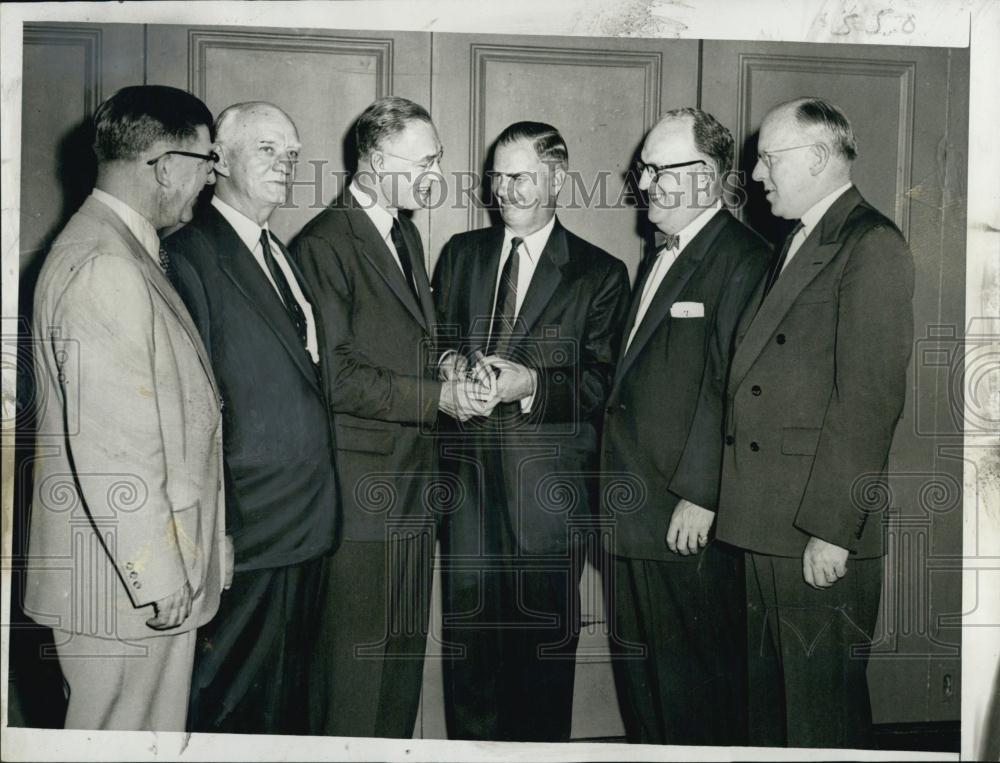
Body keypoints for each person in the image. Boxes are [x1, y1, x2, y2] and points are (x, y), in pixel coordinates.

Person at [715, 97, 914, 749]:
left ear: (821, 157)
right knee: (773, 710)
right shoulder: (796, 239)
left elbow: (868, 402)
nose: (760, 175)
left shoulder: (870, 243)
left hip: (815, 529)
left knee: (818, 715)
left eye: (770, 159)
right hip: (767, 518)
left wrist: (833, 531)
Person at [24, 85, 225, 731]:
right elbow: (115, 446)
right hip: (122, 586)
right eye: (205, 162)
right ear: (166, 166)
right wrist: (156, 572)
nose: (208, 180)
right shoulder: (107, 264)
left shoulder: (116, 244)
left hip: (124, 576)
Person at [292, 96, 486, 738]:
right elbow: (337, 377)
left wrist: (449, 364)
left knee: (399, 664)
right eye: (426, 161)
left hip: (411, 486)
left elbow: (402, 344)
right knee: (355, 673)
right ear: (375, 162)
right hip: (361, 494)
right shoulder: (325, 243)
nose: (437, 174)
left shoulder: (401, 228)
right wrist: (439, 399)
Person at [433, 121, 631, 742]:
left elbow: (602, 386)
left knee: (541, 657)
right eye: (497, 175)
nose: (504, 190)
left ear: (557, 179)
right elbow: (435, 345)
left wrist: (532, 386)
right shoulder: (460, 255)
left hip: (547, 498)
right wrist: (450, 370)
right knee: (469, 657)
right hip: (466, 490)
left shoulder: (600, 273)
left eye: (520, 176)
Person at [163, 101, 337, 735]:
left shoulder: (280, 253)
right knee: (231, 705)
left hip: (305, 524)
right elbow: (190, 409)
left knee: (287, 705)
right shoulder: (187, 253)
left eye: (290, 153)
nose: (285, 164)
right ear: (218, 162)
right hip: (249, 528)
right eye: (267, 149)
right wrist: (221, 527)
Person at [601, 108, 770, 746]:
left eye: (657, 170)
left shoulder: (742, 259)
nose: (643, 184)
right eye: (642, 170)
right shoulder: (663, 252)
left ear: (705, 176)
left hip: (683, 515)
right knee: (645, 688)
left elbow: (735, 386)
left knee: (693, 694)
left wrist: (702, 493)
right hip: (636, 508)